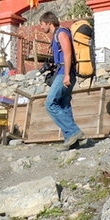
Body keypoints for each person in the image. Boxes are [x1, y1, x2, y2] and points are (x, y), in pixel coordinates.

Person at [39, 12, 85, 150]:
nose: (41, 27)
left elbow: (67, 52)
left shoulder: (61, 33)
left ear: (49, 23)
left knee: (50, 104)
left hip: (65, 73)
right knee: (64, 105)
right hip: (63, 71)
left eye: (42, 24)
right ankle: (71, 142)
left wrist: (65, 75)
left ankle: (73, 132)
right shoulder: (56, 35)